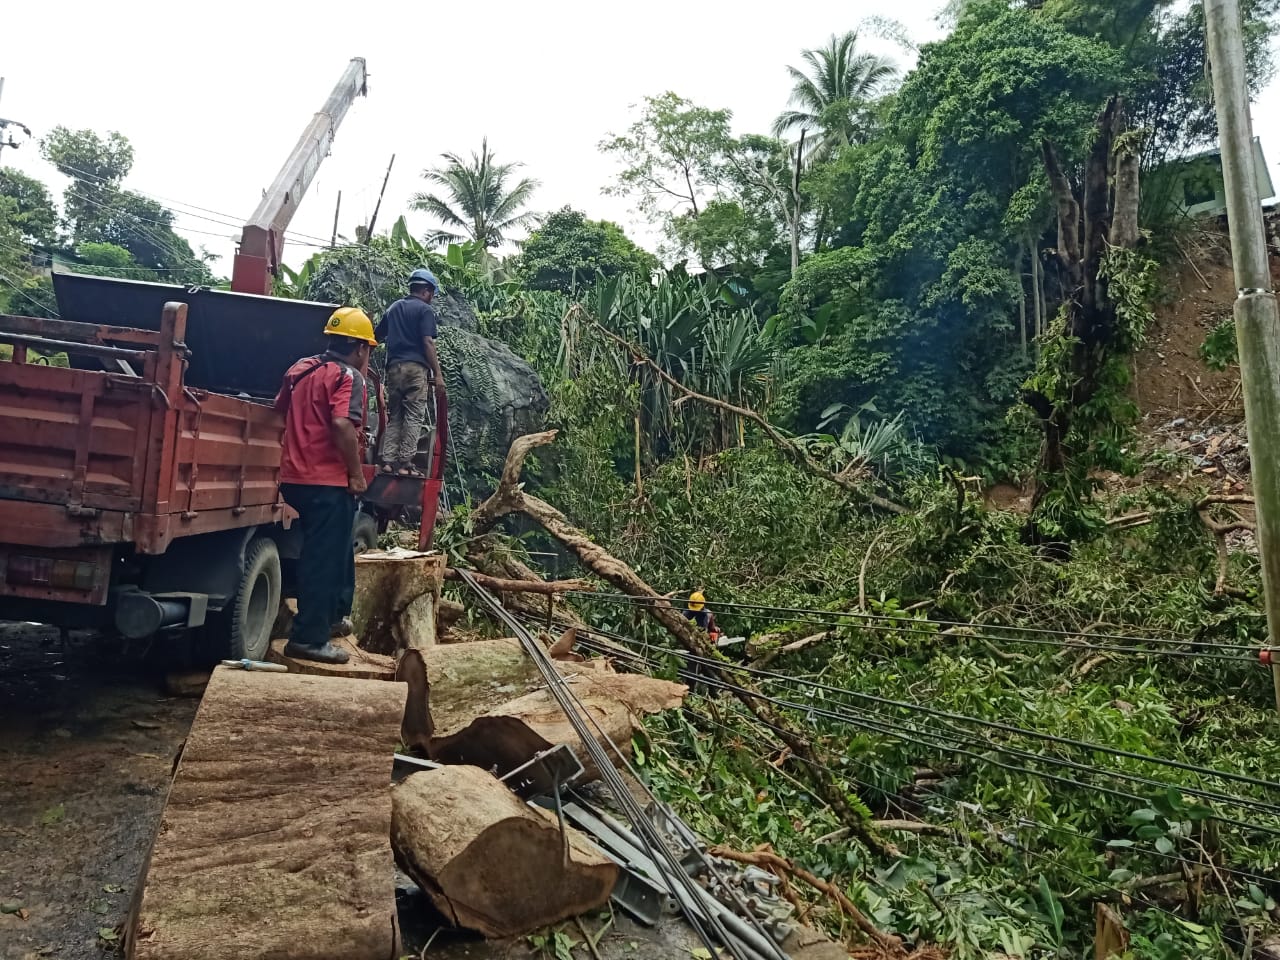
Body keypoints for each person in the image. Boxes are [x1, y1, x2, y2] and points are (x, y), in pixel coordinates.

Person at [273, 306, 376, 665]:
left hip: (294, 478)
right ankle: (308, 639)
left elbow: (278, 409)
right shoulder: (349, 376)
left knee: (332, 550)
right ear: (361, 348)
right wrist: (355, 474)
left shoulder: (299, 370)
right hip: (327, 481)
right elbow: (342, 425)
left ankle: (332, 617)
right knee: (322, 560)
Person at [375, 268, 447, 477]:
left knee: (395, 415)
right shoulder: (424, 311)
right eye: (432, 293)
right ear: (425, 291)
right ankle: (405, 462)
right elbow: (427, 342)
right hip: (415, 369)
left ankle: (388, 461)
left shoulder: (394, 308)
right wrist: (438, 374)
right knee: (414, 416)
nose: (432, 297)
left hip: (394, 369)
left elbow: (376, 337)